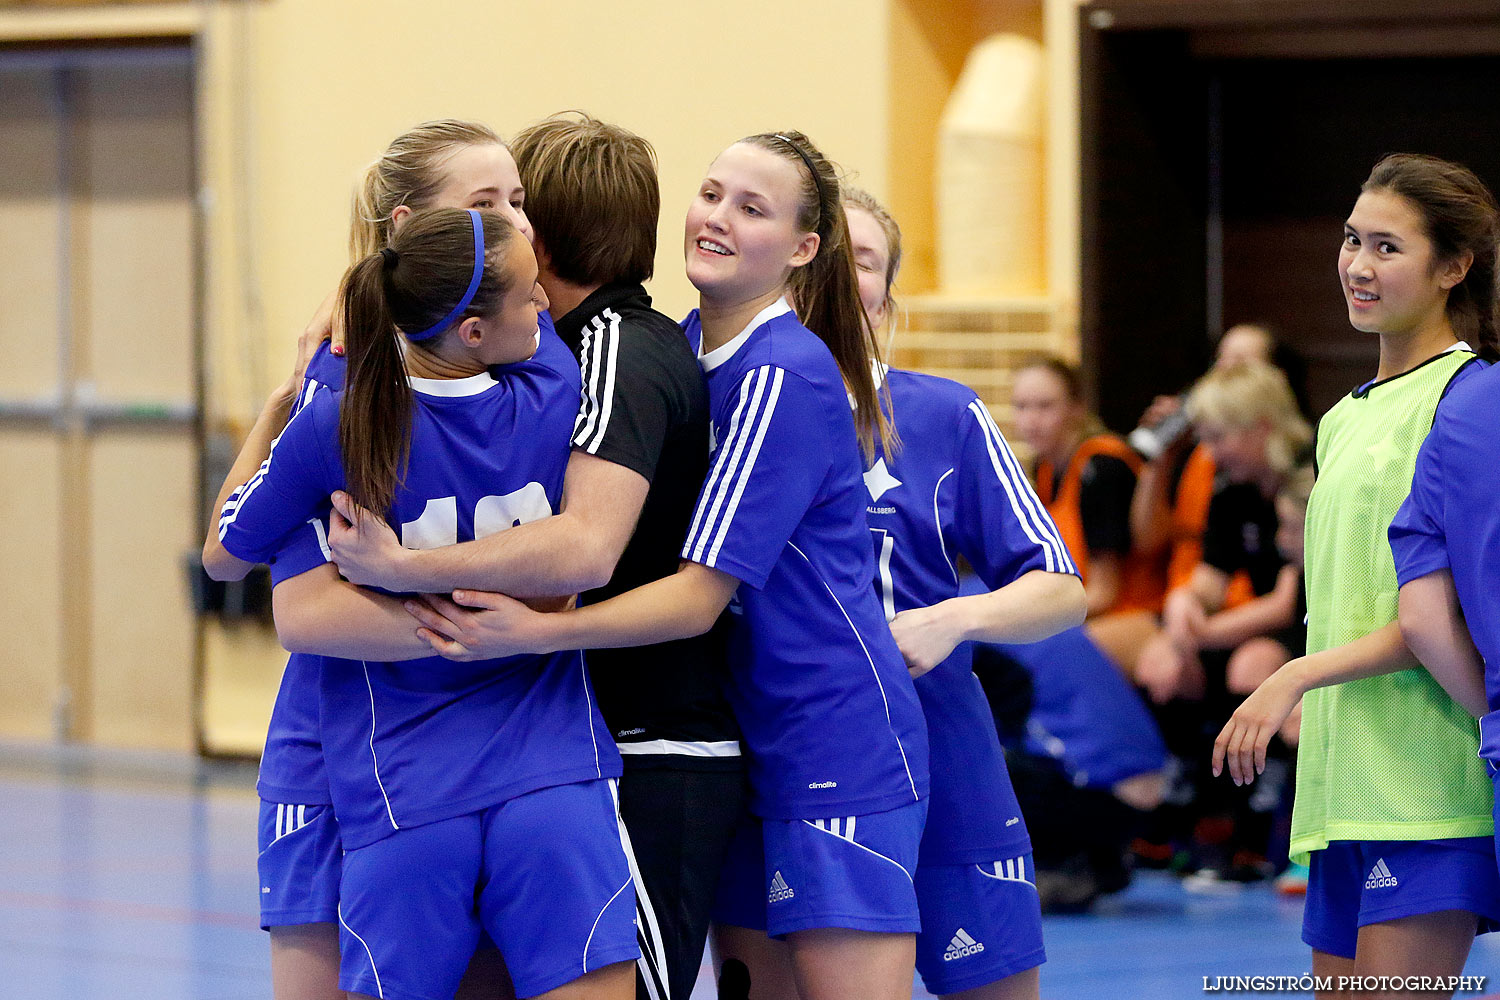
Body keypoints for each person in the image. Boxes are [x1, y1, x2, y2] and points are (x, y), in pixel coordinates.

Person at [404, 131, 929, 1000]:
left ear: (804, 250)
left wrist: (541, 631)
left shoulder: (784, 374)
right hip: (752, 727)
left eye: (751, 208)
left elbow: (694, 598)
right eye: (713, 193)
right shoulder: (684, 345)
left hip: (831, 735)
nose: (716, 218)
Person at [320, 112, 743, 1000]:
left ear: (543, 232)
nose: (505, 223)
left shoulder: (614, 350)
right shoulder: (514, 361)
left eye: (517, 204)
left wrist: (404, 572)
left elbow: (585, 548)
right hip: (539, 744)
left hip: (647, 737)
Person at [208, 207, 638, 1000]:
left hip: (406, 790)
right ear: (473, 331)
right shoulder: (552, 386)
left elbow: (223, 553)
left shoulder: (340, 424)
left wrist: (281, 411)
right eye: (527, 292)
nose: (545, 303)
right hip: (549, 771)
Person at [202, 118, 534, 1000]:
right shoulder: (343, 387)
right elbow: (292, 603)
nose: (517, 223)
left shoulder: (523, 370)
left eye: (519, 201)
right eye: (486, 203)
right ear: (404, 231)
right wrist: (489, 622)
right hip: (339, 744)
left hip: (479, 750)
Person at [1215, 153, 1500, 994]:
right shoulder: (1340, 420)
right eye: (1351, 241)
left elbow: (1439, 618)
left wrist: (1293, 675)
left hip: (1428, 784)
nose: (1357, 265)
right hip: (1341, 789)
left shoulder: (1471, 398)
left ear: (1453, 267)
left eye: (1386, 247)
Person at [844, 187, 1086, 998]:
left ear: (888, 299)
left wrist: (955, 617)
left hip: (944, 749)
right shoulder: (726, 407)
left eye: (866, 260)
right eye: (829, 254)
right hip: (803, 764)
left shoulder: (944, 415)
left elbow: (1060, 589)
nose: (846, 276)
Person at [1011, 357, 1165, 672]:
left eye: (1045, 407)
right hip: (1081, 609)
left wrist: (1025, 616)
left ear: (1076, 408)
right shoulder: (1044, 468)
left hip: (1136, 613)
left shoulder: (1101, 467)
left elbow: (1105, 592)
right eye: (1022, 407)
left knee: (1036, 659)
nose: (1031, 420)